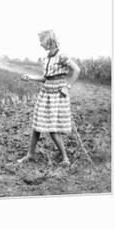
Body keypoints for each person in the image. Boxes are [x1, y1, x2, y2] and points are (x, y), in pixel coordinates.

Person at [18, 30, 80, 166]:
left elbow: (77, 70)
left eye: (41, 41)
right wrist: (30, 78)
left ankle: (65, 159)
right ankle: (30, 154)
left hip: (57, 94)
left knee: (52, 128)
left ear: (49, 40)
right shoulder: (46, 58)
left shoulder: (62, 56)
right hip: (45, 93)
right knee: (36, 126)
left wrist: (67, 87)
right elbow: (45, 78)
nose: (40, 44)